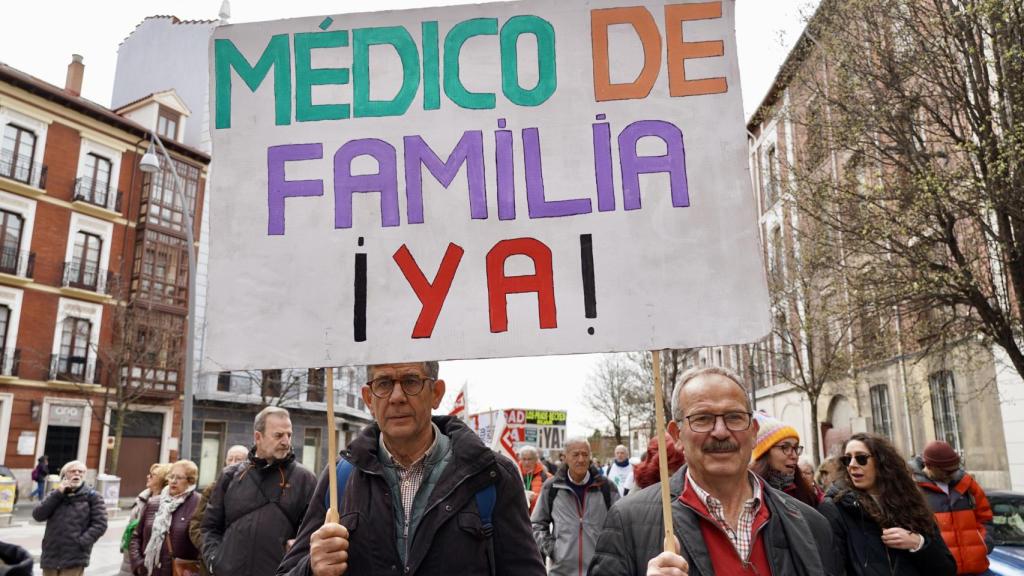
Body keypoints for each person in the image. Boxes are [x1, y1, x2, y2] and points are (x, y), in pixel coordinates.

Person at [277, 361, 545, 576]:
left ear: (436, 393)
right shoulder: (339, 478)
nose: (396, 397)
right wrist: (311, 568)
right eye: (383, 384)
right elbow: (289, 570)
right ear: (369, 398)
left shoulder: (490, 476)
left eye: (410, 381)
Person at [589, 366, 835, 576]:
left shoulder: (811, 525)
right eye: (703, 418)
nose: (720, 431)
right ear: (676, 435)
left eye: (735, 417)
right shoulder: (627, 522)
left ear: (753, 431)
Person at [818, 433, 957, 575]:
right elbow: (832, 569)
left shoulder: (909, 502)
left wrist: (918, 544)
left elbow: (947, 569)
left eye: (861, 458)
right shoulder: (835, 507)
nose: (852, 465)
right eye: (847, 459)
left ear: (881, 462)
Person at [201, 408, 316, 576]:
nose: (286, 441)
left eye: (289, 435)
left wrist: (296, 560)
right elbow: (210, 527)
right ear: (258, 437)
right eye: (278, 435)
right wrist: (214, 561)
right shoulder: (230, 475)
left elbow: (313, 533)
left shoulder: (305, 479)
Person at [532, 437, 618, 576]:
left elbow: (619, 526)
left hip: (599, 571)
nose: (581, 459)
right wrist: (552, 549)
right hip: (561, 571)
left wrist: (608, 554)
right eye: (576, 454)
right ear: (565, 457)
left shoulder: (606, 487)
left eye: (585, 454)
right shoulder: (552, 487)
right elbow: (536, 523)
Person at [910, 440, 993, 575]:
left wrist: (984, 544)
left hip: (978, 569)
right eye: (947, 471)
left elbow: (985, 516)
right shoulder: (911, 489)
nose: (953, 474)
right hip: (941, 570)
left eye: (955, 469)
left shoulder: (967, 483)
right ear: (929, 466)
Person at [32, 460, 108, 576]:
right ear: (64, 475)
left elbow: (100, 524)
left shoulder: (93, 496)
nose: (77, 474)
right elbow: (38, 515)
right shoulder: (55, 494)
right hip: (51, 556)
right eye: (73, 471)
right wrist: (58, 493)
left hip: (75, 557)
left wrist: (82, 542)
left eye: (81, 471)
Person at [130, 460, 201, 576]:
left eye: (179, 477)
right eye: (171, 476)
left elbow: (204, 543)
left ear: (190, 480)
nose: (173, 481)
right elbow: (136, 537)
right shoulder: (154, 502)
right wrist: (138, 564)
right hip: (149, 572)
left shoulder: (198, 504)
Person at [188, 445, 248, 576]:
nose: (233, 463)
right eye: (230, 459)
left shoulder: (252, 491)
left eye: (238, 459)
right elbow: (196, 526)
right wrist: (212, 551)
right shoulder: (213, 489)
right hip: (212, 563)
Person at [749, 412, 821, 507]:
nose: (794, 456)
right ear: (765, 453)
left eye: (795, 448)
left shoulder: (808, 492)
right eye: (785, 447)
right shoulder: (750, 493)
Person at [120, 463, 171, 576]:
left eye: (153, 475)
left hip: (146, 559)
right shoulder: (142, 497)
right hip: (131, 554)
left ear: (163, 480)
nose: (148, 476)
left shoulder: (166, 504)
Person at [518, 444, 549, 514]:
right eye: (524, 459)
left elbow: (551, 498)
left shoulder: (546, 476)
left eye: (529, 459)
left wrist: (535, 498)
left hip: (536, 517)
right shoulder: (514, 474)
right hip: (518, 517)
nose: (526, 462)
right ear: (520, 459)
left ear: (535, 459)